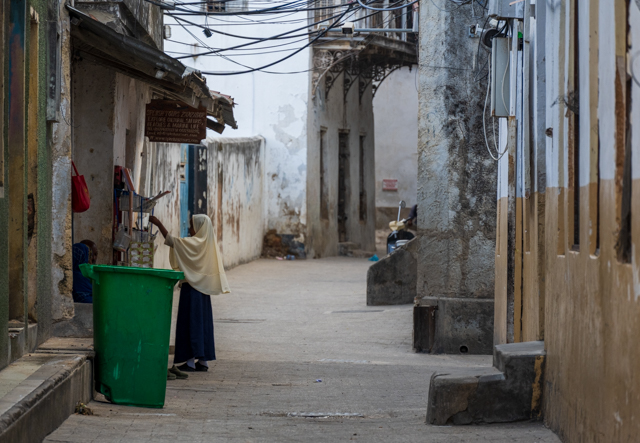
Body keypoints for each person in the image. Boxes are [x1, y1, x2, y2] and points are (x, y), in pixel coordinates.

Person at [149, 214, 230, 377]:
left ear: (200, 227)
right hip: (204, 290)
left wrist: (158, 224)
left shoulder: (193, 243)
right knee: (202, 323)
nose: (190, 229)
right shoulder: (208, 244)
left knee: (190, 323)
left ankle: (190, 361)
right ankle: (203, 361)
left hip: (191, 288)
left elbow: (171, 241)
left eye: (193, 226)